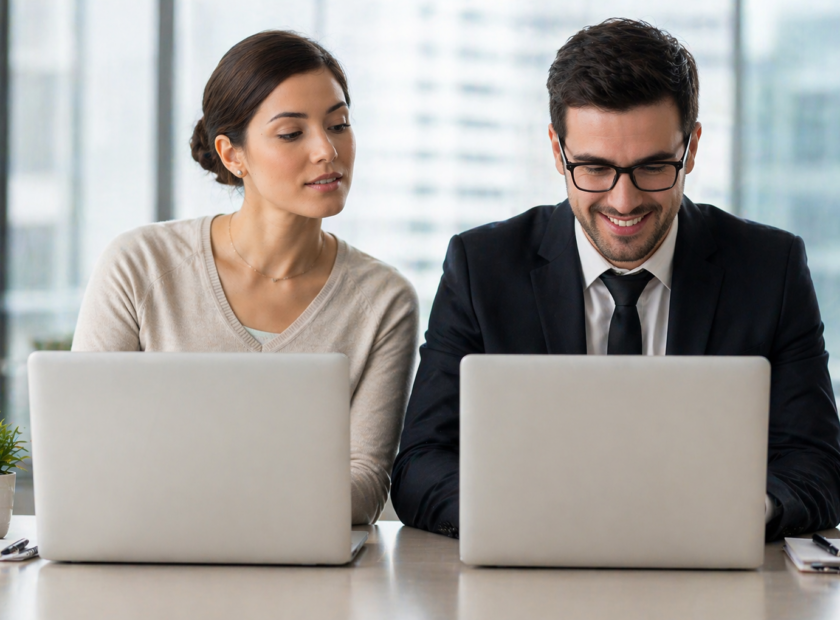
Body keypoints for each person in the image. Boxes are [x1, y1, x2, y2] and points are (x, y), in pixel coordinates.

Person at [390, 18, 840, 541]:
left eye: (652, 167)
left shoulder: (770, 269)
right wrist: (520, 515)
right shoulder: (482, 266)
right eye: (595, 168)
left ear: (691, 148)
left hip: (707, 574)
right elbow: (420, 464)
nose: (623, 202)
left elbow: (817, 468)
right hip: (532, 569)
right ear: (558, 151)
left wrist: (735, 512)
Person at [72, 31, 419, 525]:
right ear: (233, 155)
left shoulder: (385, 300)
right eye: (291, 133)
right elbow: (85, 450)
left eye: (339, 124)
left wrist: (185, 487)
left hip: (309, 581)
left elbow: (363, 486)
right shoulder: (138, 265)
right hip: (150, 561)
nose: (327, 150)